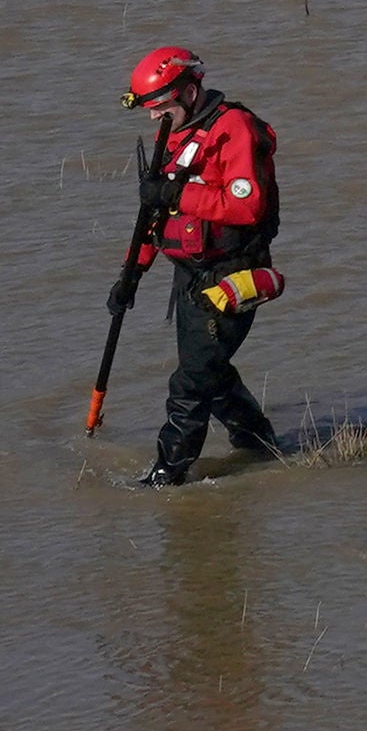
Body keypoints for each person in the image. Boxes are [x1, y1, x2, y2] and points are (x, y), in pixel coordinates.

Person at [113, 47, 284, 486]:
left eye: (160, 108)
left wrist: (174, 196)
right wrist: (132, 273)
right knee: (211, 373)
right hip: (189, 276)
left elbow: (246, 207)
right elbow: (156, 220)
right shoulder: (175, 131)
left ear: (189, 91)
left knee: (190, 384)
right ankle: (259, 444)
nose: (154, 118)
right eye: (149, 110)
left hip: (232, 275)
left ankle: (168, 473)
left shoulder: (235, 129)